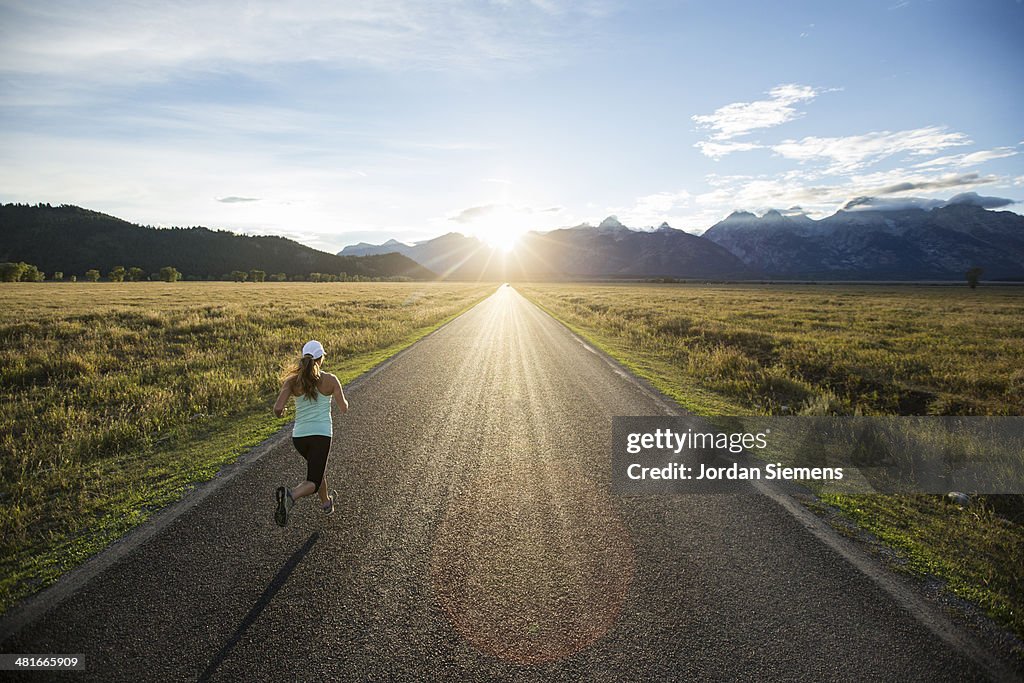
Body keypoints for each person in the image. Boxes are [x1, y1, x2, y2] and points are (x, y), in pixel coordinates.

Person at [273, 339, 348, 526]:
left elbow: (277, 408)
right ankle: (291, 495)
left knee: (317, 468)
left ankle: (326, 503)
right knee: (312, 482)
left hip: (299, 438)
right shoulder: (330, 379)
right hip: (321, 436)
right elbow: (344, 408)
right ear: (321, 358)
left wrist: (282, 413)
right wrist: (341, 401)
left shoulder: (292, 381)